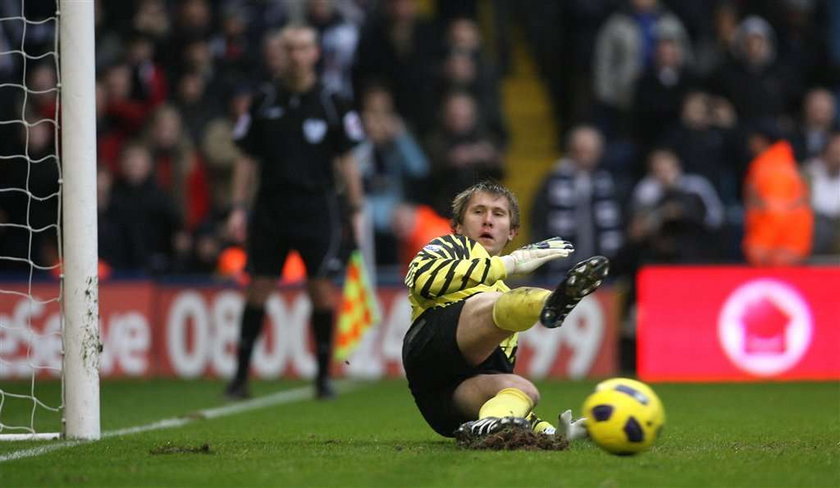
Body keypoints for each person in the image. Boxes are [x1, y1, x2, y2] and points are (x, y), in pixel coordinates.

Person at [402, 181, 609, 442]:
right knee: (495, 302)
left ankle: (490, 423)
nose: (488, 221)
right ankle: (550, 302)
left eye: (498, 214)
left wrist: (549, 432)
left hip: (449, 406)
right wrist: (509, 264)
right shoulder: (449, 248)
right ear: (457, 226)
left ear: (512, 232)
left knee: (523, 389)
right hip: (429, 353)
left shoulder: (506, 300)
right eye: (478, 212)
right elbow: (422, 279)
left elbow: (495, 375)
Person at [224, 25, 365, 400]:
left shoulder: (334, 101)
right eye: (289, 49)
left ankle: (322, 377)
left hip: (317, 208)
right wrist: (238, 207)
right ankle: (239, 376)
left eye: (303, 48)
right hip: (270, 207)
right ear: (280, 54)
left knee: (321, 289)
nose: (296, 55)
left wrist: (356, 208)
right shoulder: (262, 101)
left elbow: (347, 160)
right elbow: (246, 159)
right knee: (259, 287)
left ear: (315, 53)